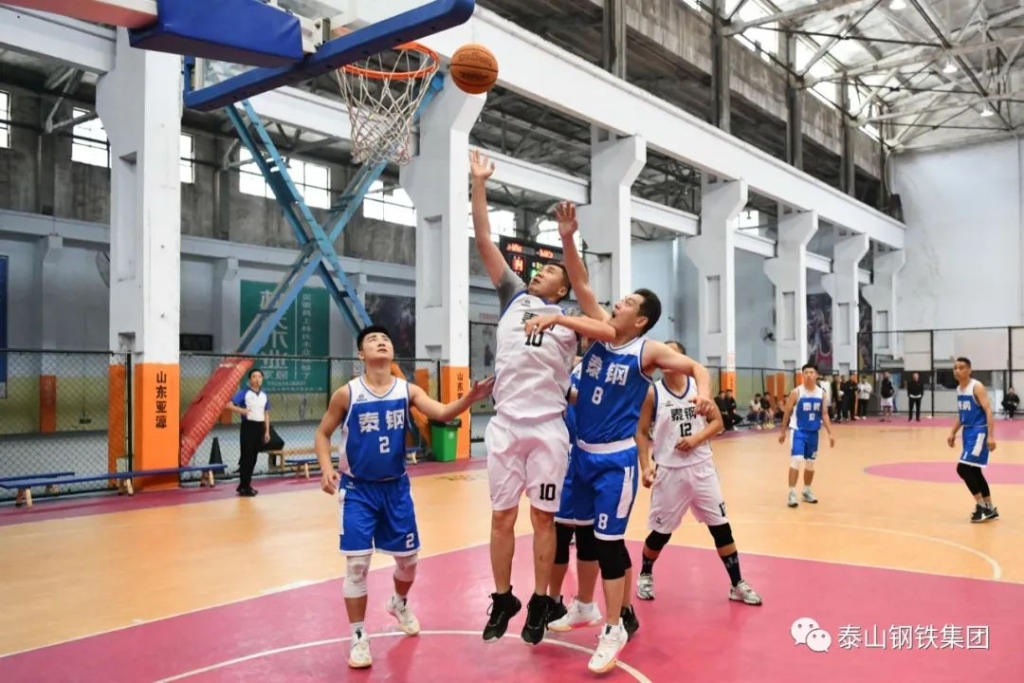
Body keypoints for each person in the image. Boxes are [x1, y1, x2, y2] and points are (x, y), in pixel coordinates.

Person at [525, 201, 715, 674]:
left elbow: (696, 367)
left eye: (628, 303)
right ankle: (585, 606)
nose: (618, 304)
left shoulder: (646, 350)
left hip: (614, 461)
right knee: (580, 536)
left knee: (609, 544)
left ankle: (614, 628)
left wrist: (705, 395)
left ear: (642, 319)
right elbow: (581, 282)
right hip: (579, 458)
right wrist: (567, 237)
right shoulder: (602, 333)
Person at [470, 150, 616, 645]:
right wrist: (479, 184)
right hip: (506, 424)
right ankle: (503, 597)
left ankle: (539, 600)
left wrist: (568, 242)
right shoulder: (513, 295)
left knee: (542, 518)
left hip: (547, 428)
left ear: (563, 286)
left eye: (549, 270)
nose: (538, 271)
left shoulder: (573, 319)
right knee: (501, 516)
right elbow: (484, 239)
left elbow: (607, 327)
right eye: (537, 268)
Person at [313, 324, 495, 669]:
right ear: (361, 354)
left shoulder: (406, 390)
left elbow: (442, 412)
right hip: (357, 490)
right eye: (372, 340)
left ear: (392, 352)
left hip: (396, 489)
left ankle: (398, 602)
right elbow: (322, 434)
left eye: (385, 339)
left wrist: (470, 398)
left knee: (409, 562)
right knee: (356, 565)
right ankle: (358, 635)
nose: (380, 342)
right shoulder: (347, 394)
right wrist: (325, 468)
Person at [635, 341, 762, 607]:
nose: (668, 358)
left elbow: (718, 422)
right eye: (664, 354)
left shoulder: (698, 388)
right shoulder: (652, 393)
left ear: (683, 358)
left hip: (702, 468)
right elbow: (641, 431)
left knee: (721, 527)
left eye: (674, 353)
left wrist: (696, 439)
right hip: (670, 471)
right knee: (661, 532)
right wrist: (645, 466)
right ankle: (645, 573)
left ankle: (737, 583)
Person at [547, 339, 603, 633]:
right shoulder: (571, 367)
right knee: (558, 534)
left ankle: (614, 609)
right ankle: (553, 601)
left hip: (598, 457)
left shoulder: (615, 367)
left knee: (602, 539)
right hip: (565, 456)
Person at [947, 357, 999, 523]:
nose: (957, 370)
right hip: (968, 432)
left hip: (979, 431)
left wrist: (991, 436)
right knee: (975, 471)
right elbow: (962, 414)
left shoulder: (976, 387)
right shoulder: (959, 389)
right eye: (955, 368)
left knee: (962, 469)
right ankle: (990, 508)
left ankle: (982, 507)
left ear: (969, 370)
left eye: (961, 367)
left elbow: (988, 410)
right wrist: (953, 432)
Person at [777, 363, 836, 508]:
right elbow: (787, 411)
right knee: (796, 460)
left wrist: (831, 433)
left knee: (810, 463)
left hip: (813, 433)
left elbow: (824, 414)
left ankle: (806, 490)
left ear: (816, 375)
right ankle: (792, 493)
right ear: (802, 375)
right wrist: (783, 431)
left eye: (811, 372)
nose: (808, 375)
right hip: (798, 431)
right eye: (806, 372)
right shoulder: (796, 392)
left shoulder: (821, 393)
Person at [226, 368, 270, 497]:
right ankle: (244, 485)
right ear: (250, 379)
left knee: (254, 457)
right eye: (254, 377)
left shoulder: (264, 395)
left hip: (259, 427)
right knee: (247, 457)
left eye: (259, 377)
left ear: (262, 379)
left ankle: (246, 485)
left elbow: (266, 413)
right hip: (248, 427)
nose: (257, 379)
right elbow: (228, 405)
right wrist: (241, 411)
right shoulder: (244, 393)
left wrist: (267, 431)